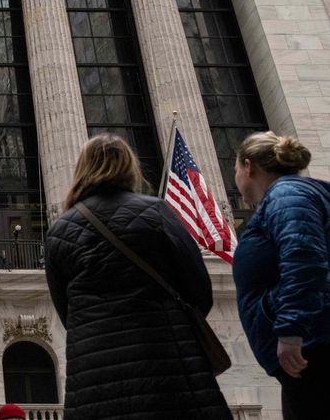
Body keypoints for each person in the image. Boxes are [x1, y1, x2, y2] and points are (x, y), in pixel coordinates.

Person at [43, 134, 231, 419]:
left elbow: (65, 311)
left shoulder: (59, 231)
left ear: (81, 169)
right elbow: (198, 288)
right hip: (167, 359)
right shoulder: (156, 211)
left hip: (95, 370)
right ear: (129, 166)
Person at [231, 132, 330, 420]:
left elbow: (304, 259)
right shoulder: (285, 197)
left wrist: (291, 330)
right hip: (324, 347)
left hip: (324, 348)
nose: (236, 178)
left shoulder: (287, 194)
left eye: (236, 169)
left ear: (249, 166)